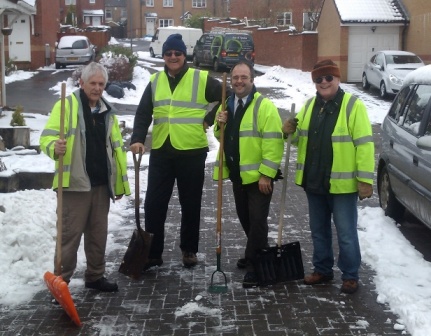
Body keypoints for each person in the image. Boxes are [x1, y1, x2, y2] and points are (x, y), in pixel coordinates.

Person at [130, 33, 226, 269]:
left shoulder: (200, 78)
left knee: (190, 203)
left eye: (178, 53)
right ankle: (153, 253)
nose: (173, 57)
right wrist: (137, 138)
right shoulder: (155, 81)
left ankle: (189, 250)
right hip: (162, 149)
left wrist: (210, 119)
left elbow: (228, 96)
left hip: (192, 151)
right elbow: (143, 113)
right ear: (163, 56)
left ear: (185, 55)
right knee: (154, 203)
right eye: (169, 53)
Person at [282, 59, 374, 294]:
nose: (323, 82)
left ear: (337, 79)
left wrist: (365, 180)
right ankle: (323, 269)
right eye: (318, 79)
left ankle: (350, 275)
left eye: (328, 78)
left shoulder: (353, 106)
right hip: (314, 181)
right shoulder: (311, 105)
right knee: (318, 230)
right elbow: (300, 137)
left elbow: (364, 145)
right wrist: (289, 132)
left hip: (342, 185)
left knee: (345, 232)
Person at [40, 62, 130, 292]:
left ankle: (95, 276)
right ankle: (61, 282)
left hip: (101, 185)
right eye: (93, 83)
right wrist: (54, 147)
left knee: (98, 235)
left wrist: (118, 184)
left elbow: (115, 150)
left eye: (101, 84)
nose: (97, 88)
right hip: (74, 184)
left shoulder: (107, 112)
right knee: (69, 237)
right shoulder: (66, 106)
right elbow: (47, 137)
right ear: (82, 82)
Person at [214, 61, 284, 288]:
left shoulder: (264, 106)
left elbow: (274, 143)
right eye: (235, 77)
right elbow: (220, 136)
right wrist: (219, 123)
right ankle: (256, 252)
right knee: (246, 218)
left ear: (252, 80)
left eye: (244, 77)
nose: (239, 81)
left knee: (257, 221)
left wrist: (266, 174)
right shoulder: (227, 103)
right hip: (238, 175)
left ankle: (255, 266)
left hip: (259, 178)